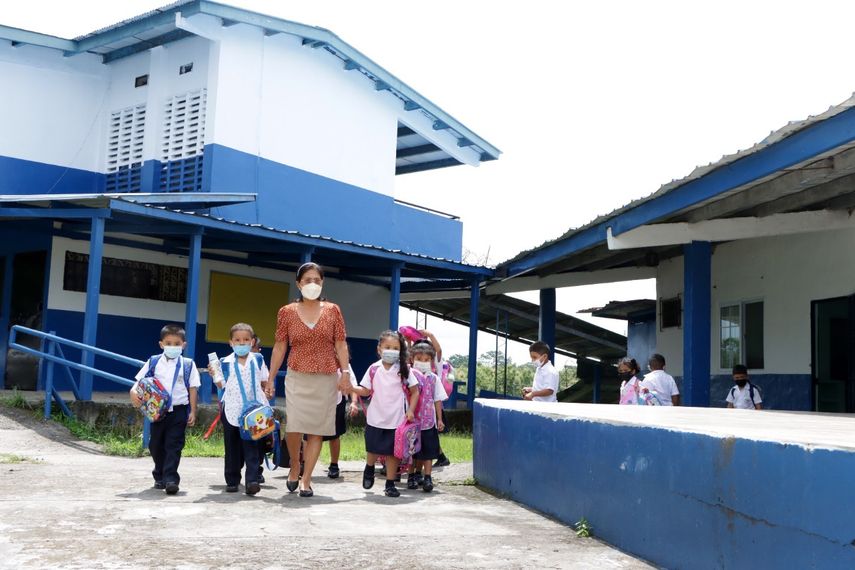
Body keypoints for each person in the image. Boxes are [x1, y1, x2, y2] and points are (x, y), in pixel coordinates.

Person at [266, 262, 351, 498]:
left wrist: (344, 373)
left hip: (325, 377)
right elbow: (280, 346)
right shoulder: (287, 312)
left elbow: (340, 343)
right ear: (298, 284)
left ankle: (306, 478)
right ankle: (295, 464)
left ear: (322, 283)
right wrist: (271, 378)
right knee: (294, 426)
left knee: (317, 431)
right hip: (296, 376)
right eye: (307, 280)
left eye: (317, 280)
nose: (312, 284)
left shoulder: (333, 310)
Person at [129, 324, 200, 495]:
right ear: (161, 344)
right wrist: (133, 392)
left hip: (179, 411)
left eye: (177, 344)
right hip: (157, 412)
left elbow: (193, 388)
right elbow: (140, 380)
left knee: (173, 445)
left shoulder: (188, 364)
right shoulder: (153, 361)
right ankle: (159, 475)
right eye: (169, 343)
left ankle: (171, 479)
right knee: (156, 445)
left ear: (183, 345)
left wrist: (193, 411)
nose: (173, 347)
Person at [351, 330, 419, 498]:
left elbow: (415, 391)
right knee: (372, 448)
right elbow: (366, 390)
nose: (391, 350)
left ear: (400, 351)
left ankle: (389, 483)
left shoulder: (404, 370)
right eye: (387, 347)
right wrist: (352, 388)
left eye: (395, 348)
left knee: (392, 453)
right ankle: (369, 468)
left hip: (397, 419)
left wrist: (410, 409)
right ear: (379, 349)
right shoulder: (373, 368)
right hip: (375, 417)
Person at [212, 323, 270, 495]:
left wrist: (267, 395)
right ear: (231, 342)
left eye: (245, 340)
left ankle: (252, 480)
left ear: (252, 342)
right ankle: (232, 480)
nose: (241, 343)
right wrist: (214, 375)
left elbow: (264, 380)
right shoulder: (224, 363)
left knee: (253, 445)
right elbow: (221, 384)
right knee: (232, 447)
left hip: (255, 410)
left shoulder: (258, 359)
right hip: (232, 409)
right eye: (237, 340)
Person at [407, 341, 447, 492]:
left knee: (429, 451)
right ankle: (411, 476)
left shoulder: (434, 379)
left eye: (426, 360)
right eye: (419, 359)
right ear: (412, 359)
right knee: (411, 451)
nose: (423, 362)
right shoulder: (408, 375)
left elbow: (437, 399)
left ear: (431, 360)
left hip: (429, 422)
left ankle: (428, 477)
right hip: (411, 422)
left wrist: (439, 419)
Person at [325, 363, 360, 479]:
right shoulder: (318, 357)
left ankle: (334, 465)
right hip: (317, 401)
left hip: (337, 402)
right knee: (309, 436)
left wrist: (354, 403)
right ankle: (304, 464)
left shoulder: (345, 365)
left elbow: (352, 385)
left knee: (335, 436)